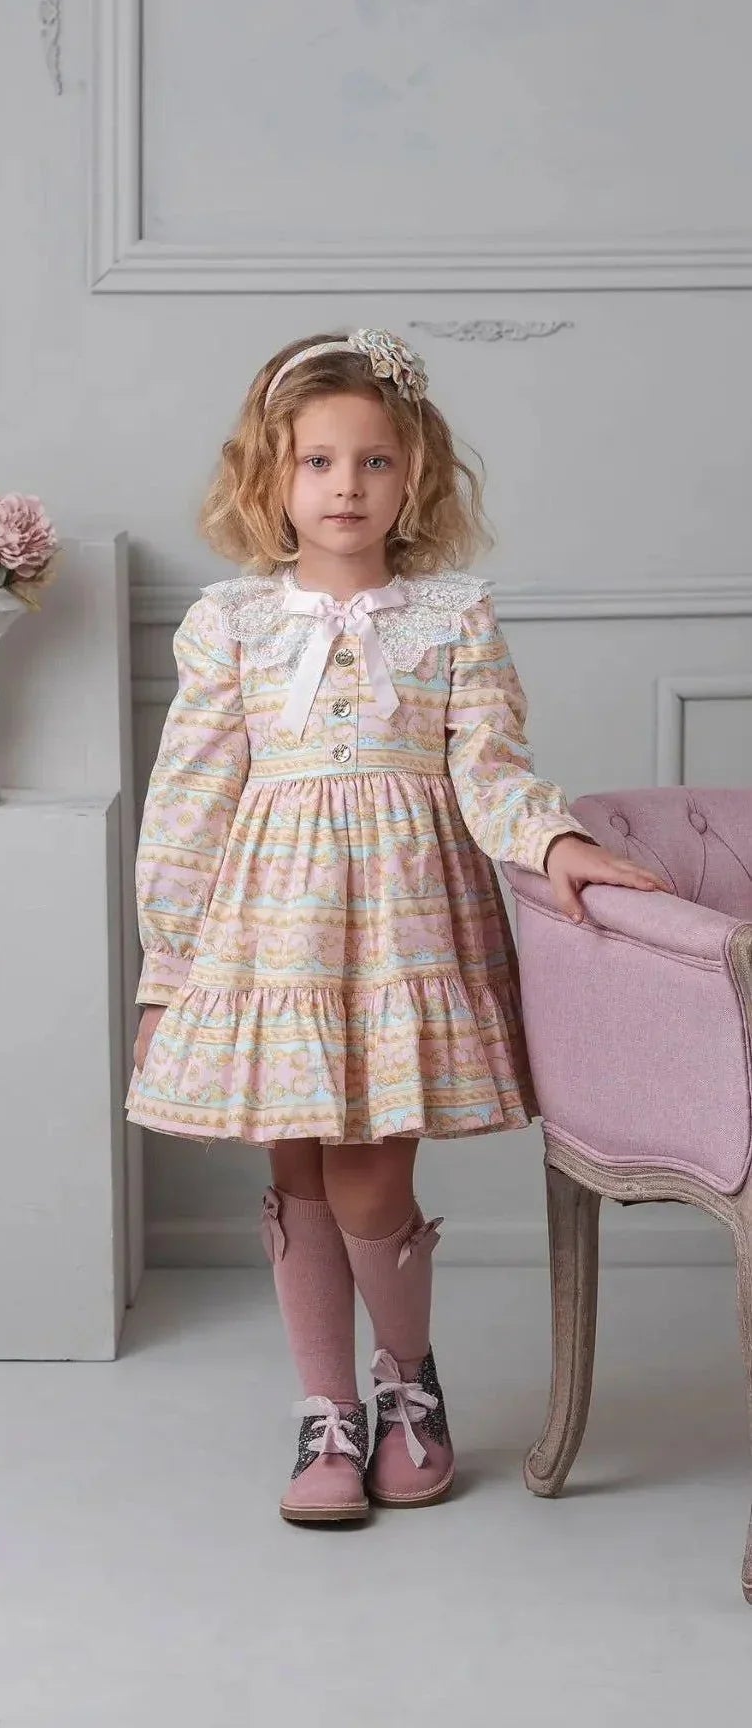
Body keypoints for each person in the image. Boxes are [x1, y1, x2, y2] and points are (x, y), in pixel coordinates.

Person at [125, 328, 673, 1526]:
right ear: (270, 473)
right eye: (317, 461)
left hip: (400, 934)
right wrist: (167, 972)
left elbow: (491, 771)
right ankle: (326, 1412)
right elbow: (189, 801)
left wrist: (554, 842)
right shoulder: (231, 623)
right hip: (270, 942)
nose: (345, 487)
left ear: (412, 473)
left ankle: (406, 1381)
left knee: (371, 1172)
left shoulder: (452, 617)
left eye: (373, 461)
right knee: (298, 1168)